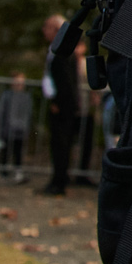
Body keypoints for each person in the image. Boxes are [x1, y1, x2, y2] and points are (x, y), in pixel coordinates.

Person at [40, 14, 81, 196]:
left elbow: (66, 81)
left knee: (61, 144)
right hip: (60, 103)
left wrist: (58, 101)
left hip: (63, 106)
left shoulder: (63, 51)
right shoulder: (56, 49)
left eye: (48, 27)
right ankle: (58, 179)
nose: (44, 31)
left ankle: (59, 182)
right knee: (58, 144)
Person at [0, 74, 34, 179]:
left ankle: (18, 171)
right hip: (7, 129)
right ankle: (4, 171)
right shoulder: (6, 95)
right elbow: (0, 112)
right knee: (6, 150)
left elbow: (28, 114)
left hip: (20, 129)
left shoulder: (26, 96)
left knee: (18, 150)